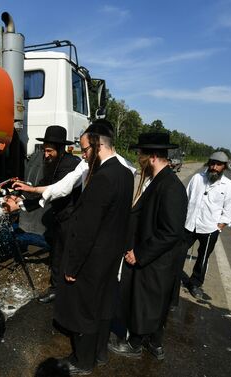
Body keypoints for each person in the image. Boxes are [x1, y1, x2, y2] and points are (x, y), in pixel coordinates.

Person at [52, 121, 133, 375]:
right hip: (111, 255)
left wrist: (73, 265)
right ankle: (99, 353)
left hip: (92, 259)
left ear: (97, 146)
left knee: (85, 308)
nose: (83, 157)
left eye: (85, 150)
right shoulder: (126, 173)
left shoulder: (102, 178)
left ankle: (83, 360)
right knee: (104, 305)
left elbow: (86, 230)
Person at [109, 132, 187, 361]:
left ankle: (135, 345)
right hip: (153, 257)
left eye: (141, 153)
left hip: (154, 259)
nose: (138, 157)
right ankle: (155, 343)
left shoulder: (170, 186)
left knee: (146, 303)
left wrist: (140, 253)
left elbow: (171, 232)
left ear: (152, 156)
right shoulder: (158, 180)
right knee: (153, 303)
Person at [4, 125, 81, 304]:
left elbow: (51, 192)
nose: (45, 154)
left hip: (72, 216)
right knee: (56, 251)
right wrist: (19, 197)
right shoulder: (52, 162)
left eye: (49, 151)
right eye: (44, 150)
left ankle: (63, 291)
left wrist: (20, 206)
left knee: (65, 253)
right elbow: (41, 185)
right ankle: (57, 286)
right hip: (59, 215)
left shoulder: (70, 165)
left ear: (60, 149)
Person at [183, 151, 231, 299]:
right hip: (189, 225)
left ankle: (195, 283)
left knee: (203, 257)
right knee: (178, 251)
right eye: (212, 163)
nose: (214, 167)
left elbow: (228, 211)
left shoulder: (229, 186)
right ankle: (173, 276)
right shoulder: (197, 179)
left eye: (218, 164)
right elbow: (186, 198)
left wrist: (218, 227)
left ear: (224, 167)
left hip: (209, 229)